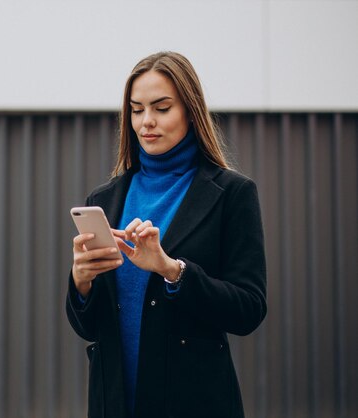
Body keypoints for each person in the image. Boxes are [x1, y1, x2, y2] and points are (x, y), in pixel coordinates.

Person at [66, 51, 267, 418]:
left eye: (161, 108)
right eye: (137, 109)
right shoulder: (105, 198)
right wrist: (81, 283)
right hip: (114, 403)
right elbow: (89, 327)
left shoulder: (232, 194)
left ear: (190, 111)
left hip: (195, 403)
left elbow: (249, 310)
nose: (146, 122)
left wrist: (172, 270)